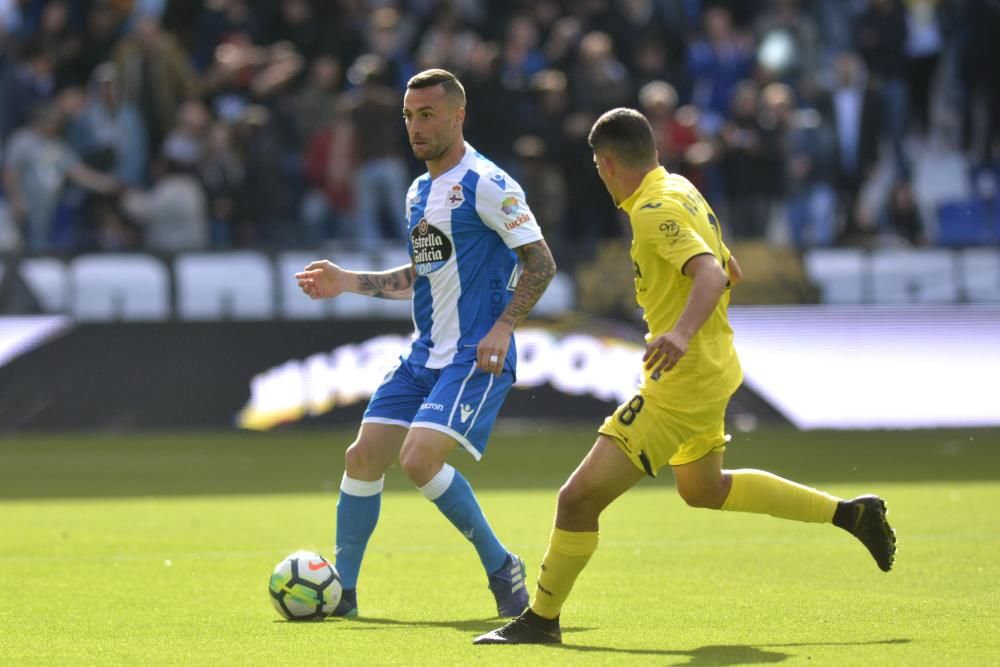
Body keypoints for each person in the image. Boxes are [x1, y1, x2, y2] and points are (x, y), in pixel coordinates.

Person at [474, 108, 896, 645]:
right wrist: (695, 316)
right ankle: (852, 515)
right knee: (704, 488)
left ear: (605, 165)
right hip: (714, 368)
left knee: (576, 499)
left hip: (681, 381)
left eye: (598, 168)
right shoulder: (681, 188)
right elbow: (730, 268)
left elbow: (714, 273)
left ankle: (541, 619)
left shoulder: (653, 209)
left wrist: (678, 333)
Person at [295, 69, 557, 619]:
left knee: (416, 459)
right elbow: (423, 276)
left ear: (458, 116)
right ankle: (344, 593)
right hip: (424, 356)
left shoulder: (488, 183)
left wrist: (505, 325)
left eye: (428, 115)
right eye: (410, 117)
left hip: (473, 355)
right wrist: (348, 281)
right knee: (363, 457)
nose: (416, 127)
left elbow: (541, 261)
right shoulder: (419, 190)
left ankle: (500, 564)